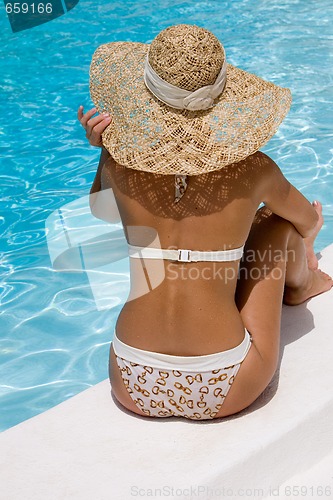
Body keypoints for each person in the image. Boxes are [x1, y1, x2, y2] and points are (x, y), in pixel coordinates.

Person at [78, 24, 332, 420]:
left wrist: (105, 151)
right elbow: (305, 219)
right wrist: (305, 236)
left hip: (129, 378)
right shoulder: (254, 170)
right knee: (275, 223)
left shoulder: (118, 164)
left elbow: (101, 212)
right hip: (227, 382)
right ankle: (306, 284)